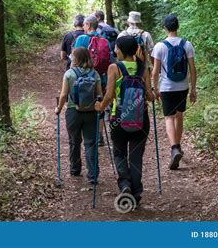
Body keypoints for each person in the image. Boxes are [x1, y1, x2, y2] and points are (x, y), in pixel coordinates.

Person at [95, 36, 155, 205]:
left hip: (118, 119)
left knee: (119, 153)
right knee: (136, 158)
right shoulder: (143, 68)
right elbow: (150, 96)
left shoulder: (114, 68)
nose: (115, 51)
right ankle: (136, 193)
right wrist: (153, 94)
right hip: (141, 119)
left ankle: (125, 184)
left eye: (116, 49)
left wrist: (100, 106)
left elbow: (108, 95)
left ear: (121, 50)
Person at [151, 14, 197, 170]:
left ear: (165, 27)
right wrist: (193, 89)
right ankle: (178, 145)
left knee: (169, 118)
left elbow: (155, 72)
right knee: (179, 115)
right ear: (178, 26)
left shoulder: (159, 46)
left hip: (167, 88)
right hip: (182, 87)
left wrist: (155, 88)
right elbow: (192, 68)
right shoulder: (187, 44)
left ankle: (174, 148)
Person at [55, 47, 103, 184]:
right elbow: (100, 95)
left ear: (75, 58)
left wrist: (58, 109)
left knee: (74, 141)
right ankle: (93, 175)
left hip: (73, 112)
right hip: (91, 113)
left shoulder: (69, 74)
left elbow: (64, 95)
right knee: (91, 144)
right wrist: (99, 107)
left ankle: (75, 169)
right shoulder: (95, 74)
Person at [74, 15, 111, 146]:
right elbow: (110, 60)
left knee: (82, 105)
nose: (83, 27)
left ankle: (86, 134)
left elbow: (75, 60)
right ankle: (99, 135)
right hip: (100, 77)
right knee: (99, 104)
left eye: (84, 25)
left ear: (88, 25)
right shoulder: (104, 41)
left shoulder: (81, 39)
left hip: (83, 79)